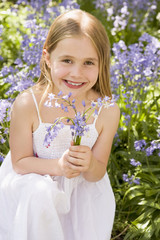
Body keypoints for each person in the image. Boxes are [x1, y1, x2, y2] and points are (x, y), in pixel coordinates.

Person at [0, 9, 120, 240]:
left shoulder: (106, 110)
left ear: (101, 63)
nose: (76, 73)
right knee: (40, 193)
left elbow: (97, 173)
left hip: (80, 196)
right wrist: (59, 166)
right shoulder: (28, 103)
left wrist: (89, 164)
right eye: (67, 60)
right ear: (47, 57)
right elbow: (20, 163)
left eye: (88, 63)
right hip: (32, 189)